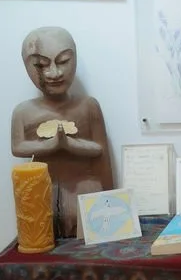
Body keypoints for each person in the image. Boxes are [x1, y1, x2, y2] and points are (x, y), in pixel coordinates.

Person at [10, 26, 113, 237]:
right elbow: (17, 147)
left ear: (74, 59)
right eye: (40, 65)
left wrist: (69, 144)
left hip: (84, 186)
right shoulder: (23, 111)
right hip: (43, 189)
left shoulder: (88, 106)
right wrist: (49, 145)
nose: (54, 73)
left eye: (64, 61)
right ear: (26, 65)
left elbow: (101, 152)